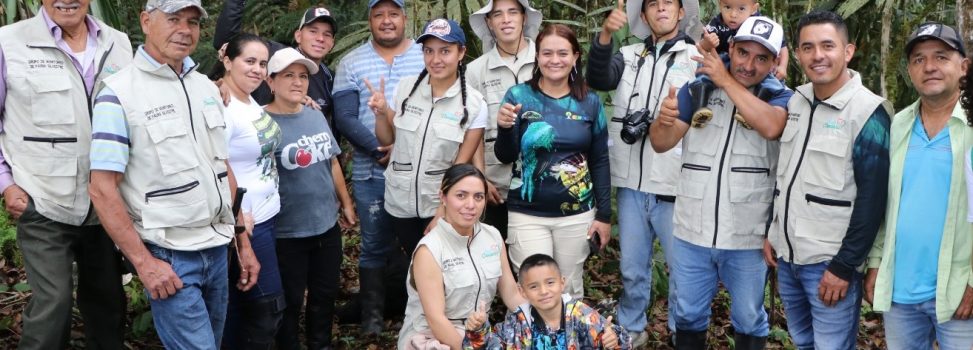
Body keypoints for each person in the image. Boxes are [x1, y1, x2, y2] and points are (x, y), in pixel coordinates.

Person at [87, 0, 261, 348]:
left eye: (193, 22)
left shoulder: (206, 89)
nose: (184, 29)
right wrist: (143, 263)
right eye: (173, 19)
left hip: (217, 248)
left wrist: (242, 240)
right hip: (169, 255)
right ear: (146, 21)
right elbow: (102, 188)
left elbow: (221, 167)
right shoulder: (119, 93)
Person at [648, 16, 793, 349]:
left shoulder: (780, 98)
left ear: (774, 63)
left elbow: (772, 127)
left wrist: (725, 79)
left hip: (747, 237)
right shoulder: (698, 88)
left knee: (749, 319)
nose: (749, 64)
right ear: (731, 48)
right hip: (691, 232)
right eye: (742, 53)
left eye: (761, 58)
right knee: (686, 315)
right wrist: (663, 120)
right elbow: (661, 142)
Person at [0, 0, 131, 348]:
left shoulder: (118, 43)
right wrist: (6, 184)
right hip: (42, 200)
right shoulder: (8, 42)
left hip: (106, 202)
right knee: (53, 305)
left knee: (109, 305)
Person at [763, 10, 891, 350]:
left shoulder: (869, 112)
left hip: (829, 264)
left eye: (827, 46)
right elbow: (786, 176)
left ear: (847, 52)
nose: (817, 55)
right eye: (807, 47)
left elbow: (874, 200)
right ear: (798, 55)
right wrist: (771, 233)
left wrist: (844, 266)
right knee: (803, 341)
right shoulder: (797, 101)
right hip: (788, 258)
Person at [586, 0, 699, 345]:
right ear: (644, 14)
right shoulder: (630, 54)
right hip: (631, 184)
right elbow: (598, 77)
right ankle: (632, 329)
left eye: (669, 3)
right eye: (653, 4)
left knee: (682, 270)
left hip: (675, 184)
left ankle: (683, 332)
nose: (661, 9)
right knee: (632, 268)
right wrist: (606, 34)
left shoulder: (697, 59)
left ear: (681, 13)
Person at [864, 22, 973, 350]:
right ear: (910, 70)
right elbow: (886, 202)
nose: (929, 67)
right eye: (918, 59)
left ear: (963, 66)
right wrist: (875, 264)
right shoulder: (898, 124)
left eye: (941, 57)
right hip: (900, 292)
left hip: (956, 291)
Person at [494, 24, 612, 298]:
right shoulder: (519, 97)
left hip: (577, 214)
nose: (554, 60)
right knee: (535, 291)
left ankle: (570, 340)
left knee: (568, 291)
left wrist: (604, 215)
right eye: (547, 53)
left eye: (562, 53)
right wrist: (504, 127)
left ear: (575, 57)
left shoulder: (590, 102)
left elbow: (600, 160)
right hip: (527, 213)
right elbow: (505, 156)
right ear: (537, 56)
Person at [331, 0, 425, 334]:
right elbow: (343, 117)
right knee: (372, 244)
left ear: (404, 18)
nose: (386, 21)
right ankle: (371, 319)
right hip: (372, 172)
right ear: (370, 20)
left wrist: (399, 150)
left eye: (393, 14)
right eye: (378, 14)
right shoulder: (351, 62)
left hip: (419, 172)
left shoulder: (425, 55)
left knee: (422, 245)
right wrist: (376, 149)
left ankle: (422, 315)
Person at [263, 47, 356, 350]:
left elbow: (331, 162)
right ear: (270, 81)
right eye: (288, 75)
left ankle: (321, 344)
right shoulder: (262, 122)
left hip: (325, 226)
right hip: (287, 231)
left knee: (324, 294)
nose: (297, 82)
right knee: (289, 301)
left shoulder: (315, 115)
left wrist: (346, 203)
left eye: (302, 76)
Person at [370, 18, 487, 256]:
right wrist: (382, 114)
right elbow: (386, 139)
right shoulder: (405, 89)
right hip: (400, 201)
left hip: (439, 205)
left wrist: (442, 211)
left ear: (461, 52)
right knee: (414, 265)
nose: (436, 59)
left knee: (442, 267)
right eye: (429, 51)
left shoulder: (474, 104)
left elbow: (460, 167)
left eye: (445, 51)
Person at [209, 33, 285, 349]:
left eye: (263, 63)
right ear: (227, 60)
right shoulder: (222, 104)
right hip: (246, 225)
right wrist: (239, 220)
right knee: (266, 307)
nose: (257, 69)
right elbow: (217, 164)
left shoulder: (247, 97)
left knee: (243, 305)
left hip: (265, 218)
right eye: (249, 61)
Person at [396, 164, 523, 349]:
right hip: (432, 337)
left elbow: (511, 294)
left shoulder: (493, 236)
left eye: (478, 197)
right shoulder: (429, 249)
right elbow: (436, 320)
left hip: (478, 333)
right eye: (461, 195)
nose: (470, 205)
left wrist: (545, 319)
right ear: (443, 197)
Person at [465, 0, 543, 238]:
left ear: (524, 18)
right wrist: (480, 179)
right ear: (489, 22)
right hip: (496, 187)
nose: (506, 20)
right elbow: (472, 130)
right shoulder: (475, 70)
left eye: (512, 12)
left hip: (544, 183)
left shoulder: (547, 59)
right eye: (497, 14)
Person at [462, 253, 630, 349]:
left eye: (550, 283)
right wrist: (478, 330)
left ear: (562, 283)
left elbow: (617, 343)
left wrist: (614, 341)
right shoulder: (516, 323)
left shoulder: (583, 316)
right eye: (534, 286)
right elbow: (488, 346)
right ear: (522, 291)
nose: (544, 291)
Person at [213, 1, 338, 130]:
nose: (320, 38)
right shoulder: (273, 53)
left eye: (327, 34)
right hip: (254, 133)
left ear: (332, 43)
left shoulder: (330, 78)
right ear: (298, 36)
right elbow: (228, 41)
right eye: (313, 31)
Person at [701, 0, 788, 80]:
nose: (733, 14)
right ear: (720, 5)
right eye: (727, 7)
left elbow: (781, 46)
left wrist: (782, 66)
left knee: (771, 81)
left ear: (753, 9)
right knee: (703, 75)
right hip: (721, 65)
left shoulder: (760, 22)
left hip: (755, 70)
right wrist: (707, 43)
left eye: (741, 9)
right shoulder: (716, 24)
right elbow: (701, 47)